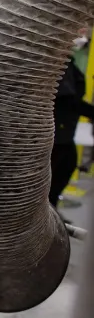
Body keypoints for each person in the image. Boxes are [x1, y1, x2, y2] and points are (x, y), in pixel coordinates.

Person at [50, 37, 94, 213]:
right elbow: (68, 101)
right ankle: (45, 216)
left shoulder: (67, 62)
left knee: (66, 167)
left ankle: (51, 214)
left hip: (64, 131)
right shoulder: (60, 63)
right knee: (57, 173)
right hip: (57, 132)